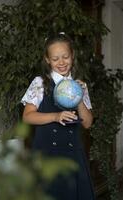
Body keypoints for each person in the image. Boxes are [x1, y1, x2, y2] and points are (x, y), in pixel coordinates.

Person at [21, 32, 96, 200]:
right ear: (47, 60)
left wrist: (79, 99)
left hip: (73, 156)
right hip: (47, 154)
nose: (61, 62)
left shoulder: (79, 85)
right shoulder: (40, 82)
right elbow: (27, 117)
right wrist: (56, 116)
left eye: (65, 57)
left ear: (72, 56)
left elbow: (88, 123)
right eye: (55, 59)